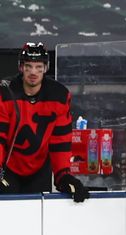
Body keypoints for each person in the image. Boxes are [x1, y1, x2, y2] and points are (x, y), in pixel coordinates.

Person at [0, 42, 88, 202]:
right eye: (28, 66)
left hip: (40, 170)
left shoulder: (59, 96)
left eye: (38, 67)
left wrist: (63, 176)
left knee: (38, 223)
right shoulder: (5, 93)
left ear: (46, 68)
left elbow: (60, 141)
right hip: (8, 170)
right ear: (21, 68)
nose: (33, 72)